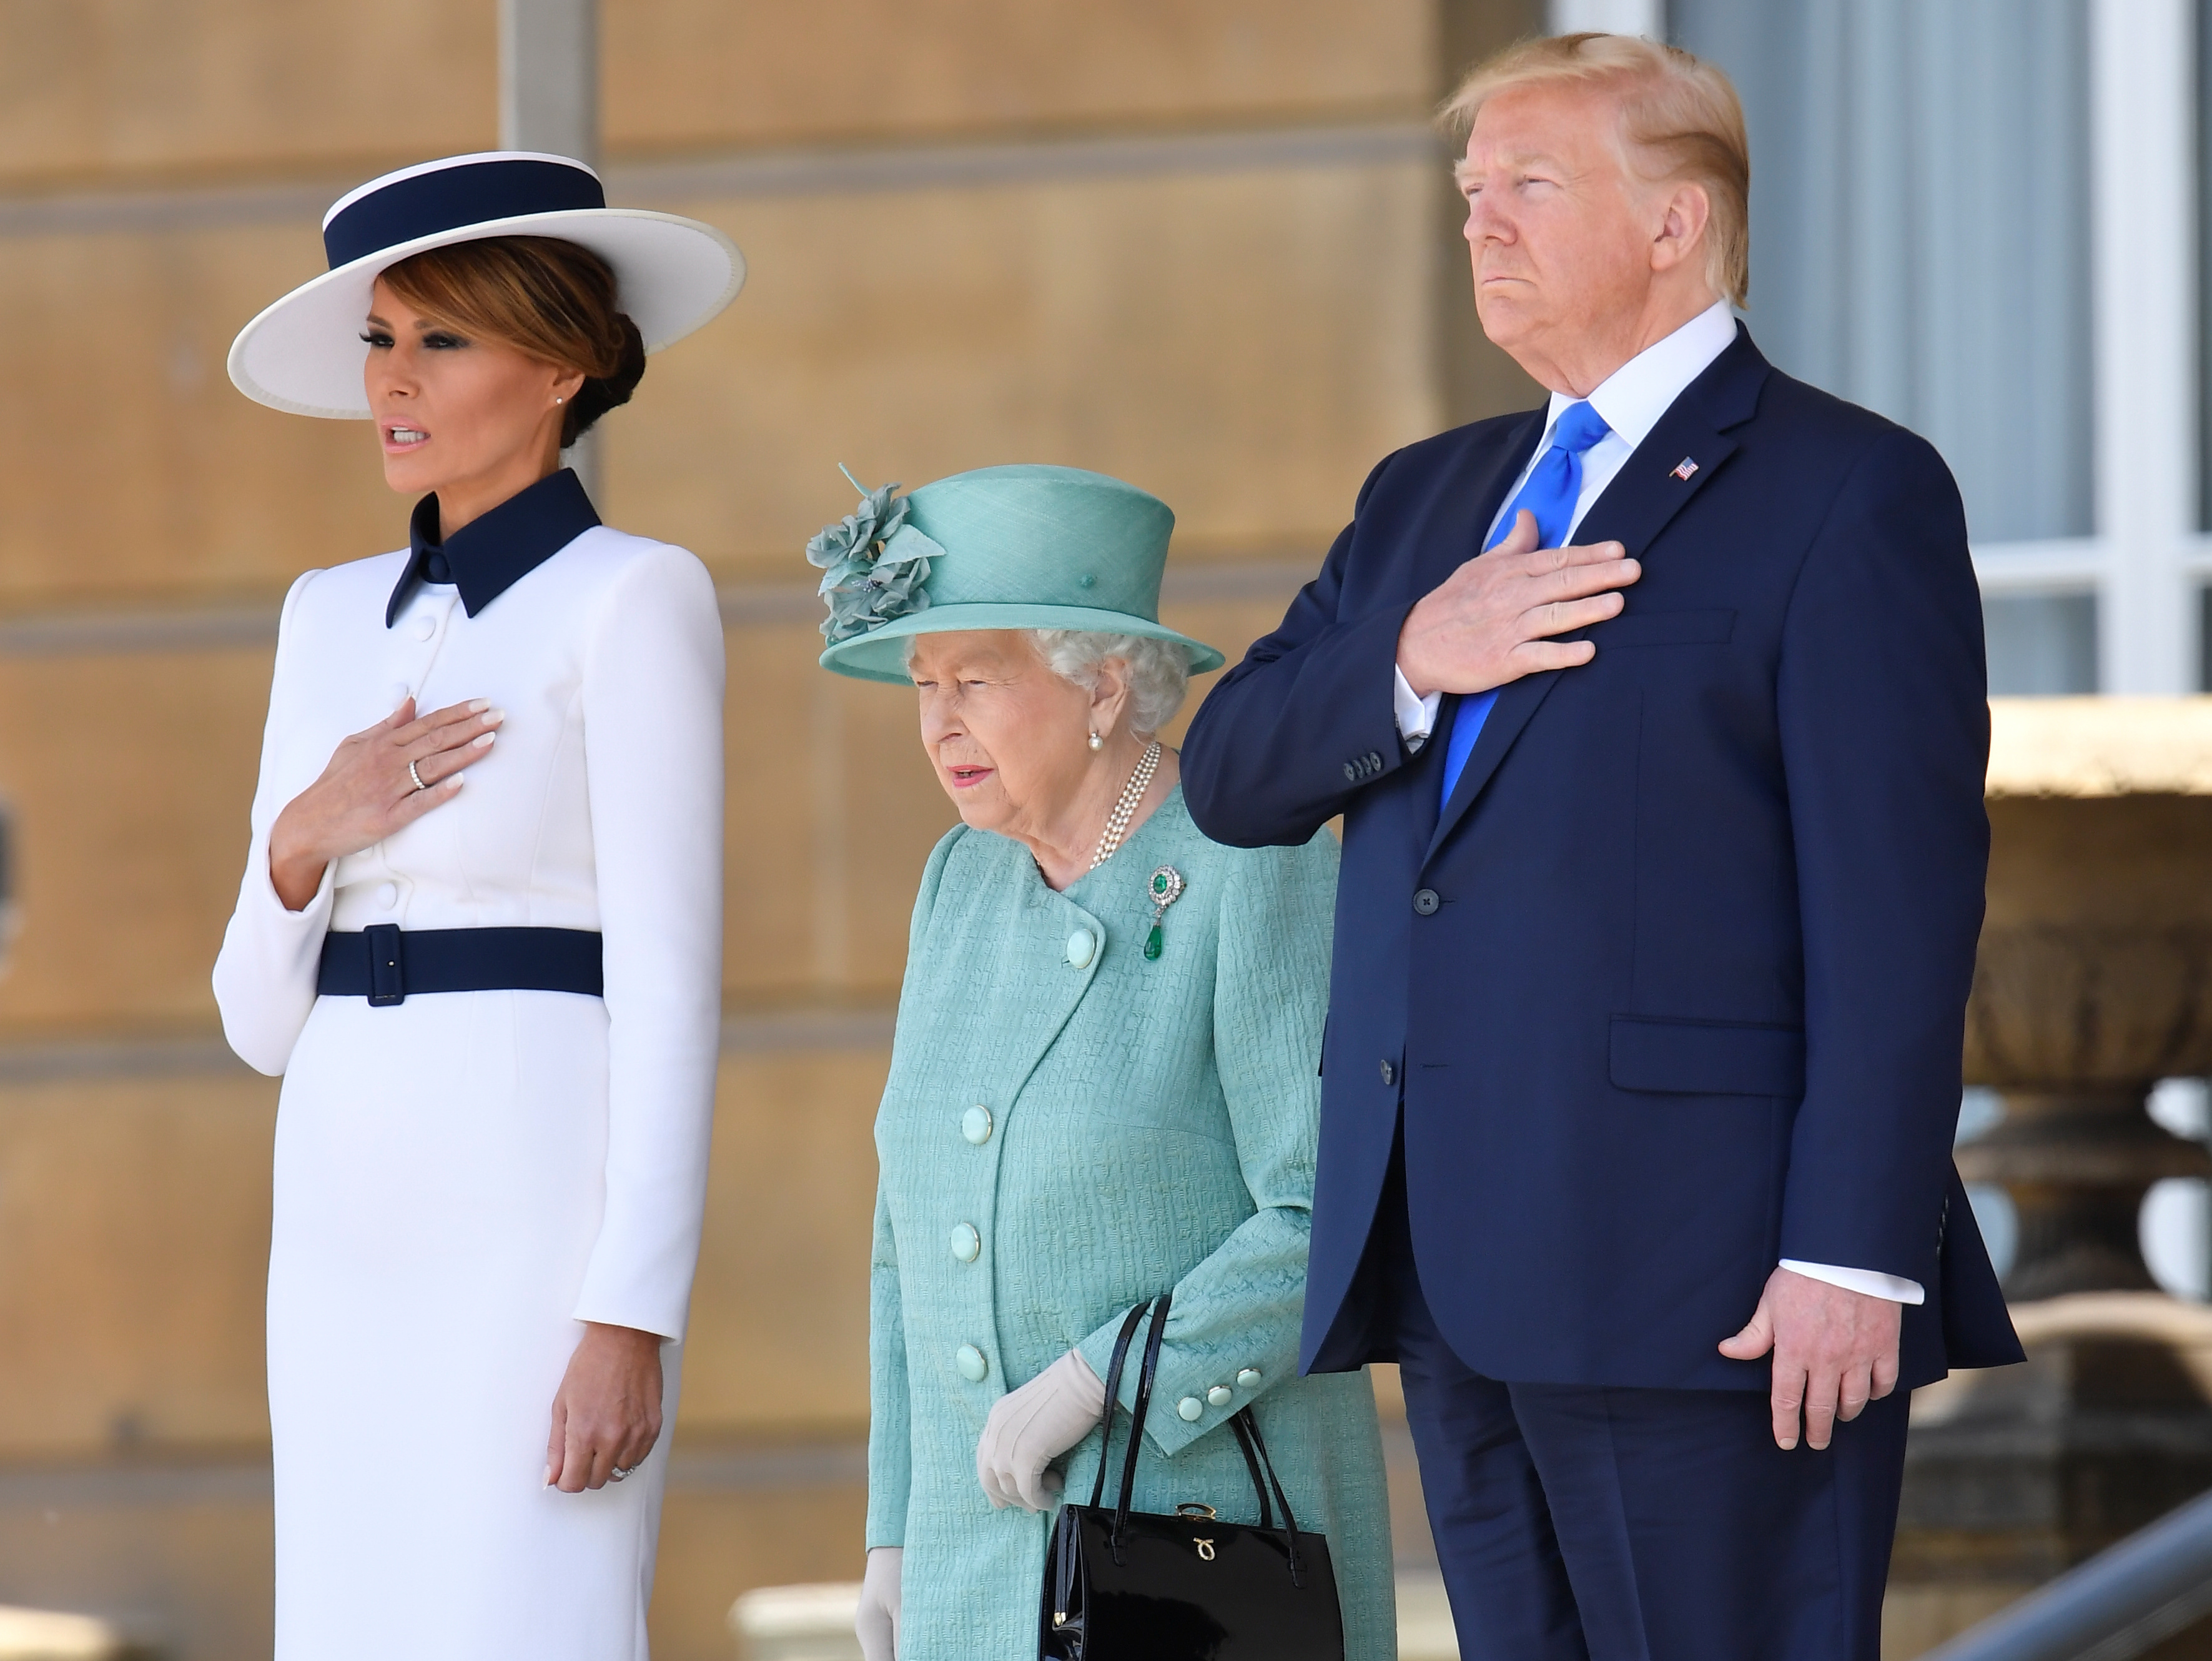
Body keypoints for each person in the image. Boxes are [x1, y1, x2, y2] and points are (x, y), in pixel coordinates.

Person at [1179, 34, 2023, 1661]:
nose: (1479, 224)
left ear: (1673, 224)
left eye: (1528, 187)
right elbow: (1230, 767)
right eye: (1467, 193)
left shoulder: (1847, 492)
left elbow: (1898, 916)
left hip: (1712, 1284)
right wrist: (1416, 653)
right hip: (1449, 1259)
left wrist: (1851, 1246)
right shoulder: (1425, 503)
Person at [212, 152, 742, 1659]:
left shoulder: (636, 596)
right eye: (380, 339)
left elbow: (673, 989)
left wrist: (630, 1311)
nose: (392, 378)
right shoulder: (321, 618)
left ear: (562, 364)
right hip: (334, 1205)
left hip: (530, 1209)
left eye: (439, 339)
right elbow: (256, 1022)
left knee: (532, 1616)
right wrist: (310, 830)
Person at [813, 465, 1395, 1660]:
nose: (938, 723)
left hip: (1192, 1547)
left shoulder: (1253, 863)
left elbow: (1327, 1210)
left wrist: (1103, 1377)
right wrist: (894, 1526)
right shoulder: (959, 882)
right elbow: (904, 1234)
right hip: (974, 1554)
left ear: (1104, 686)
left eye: (975, 679)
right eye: (924, 686)